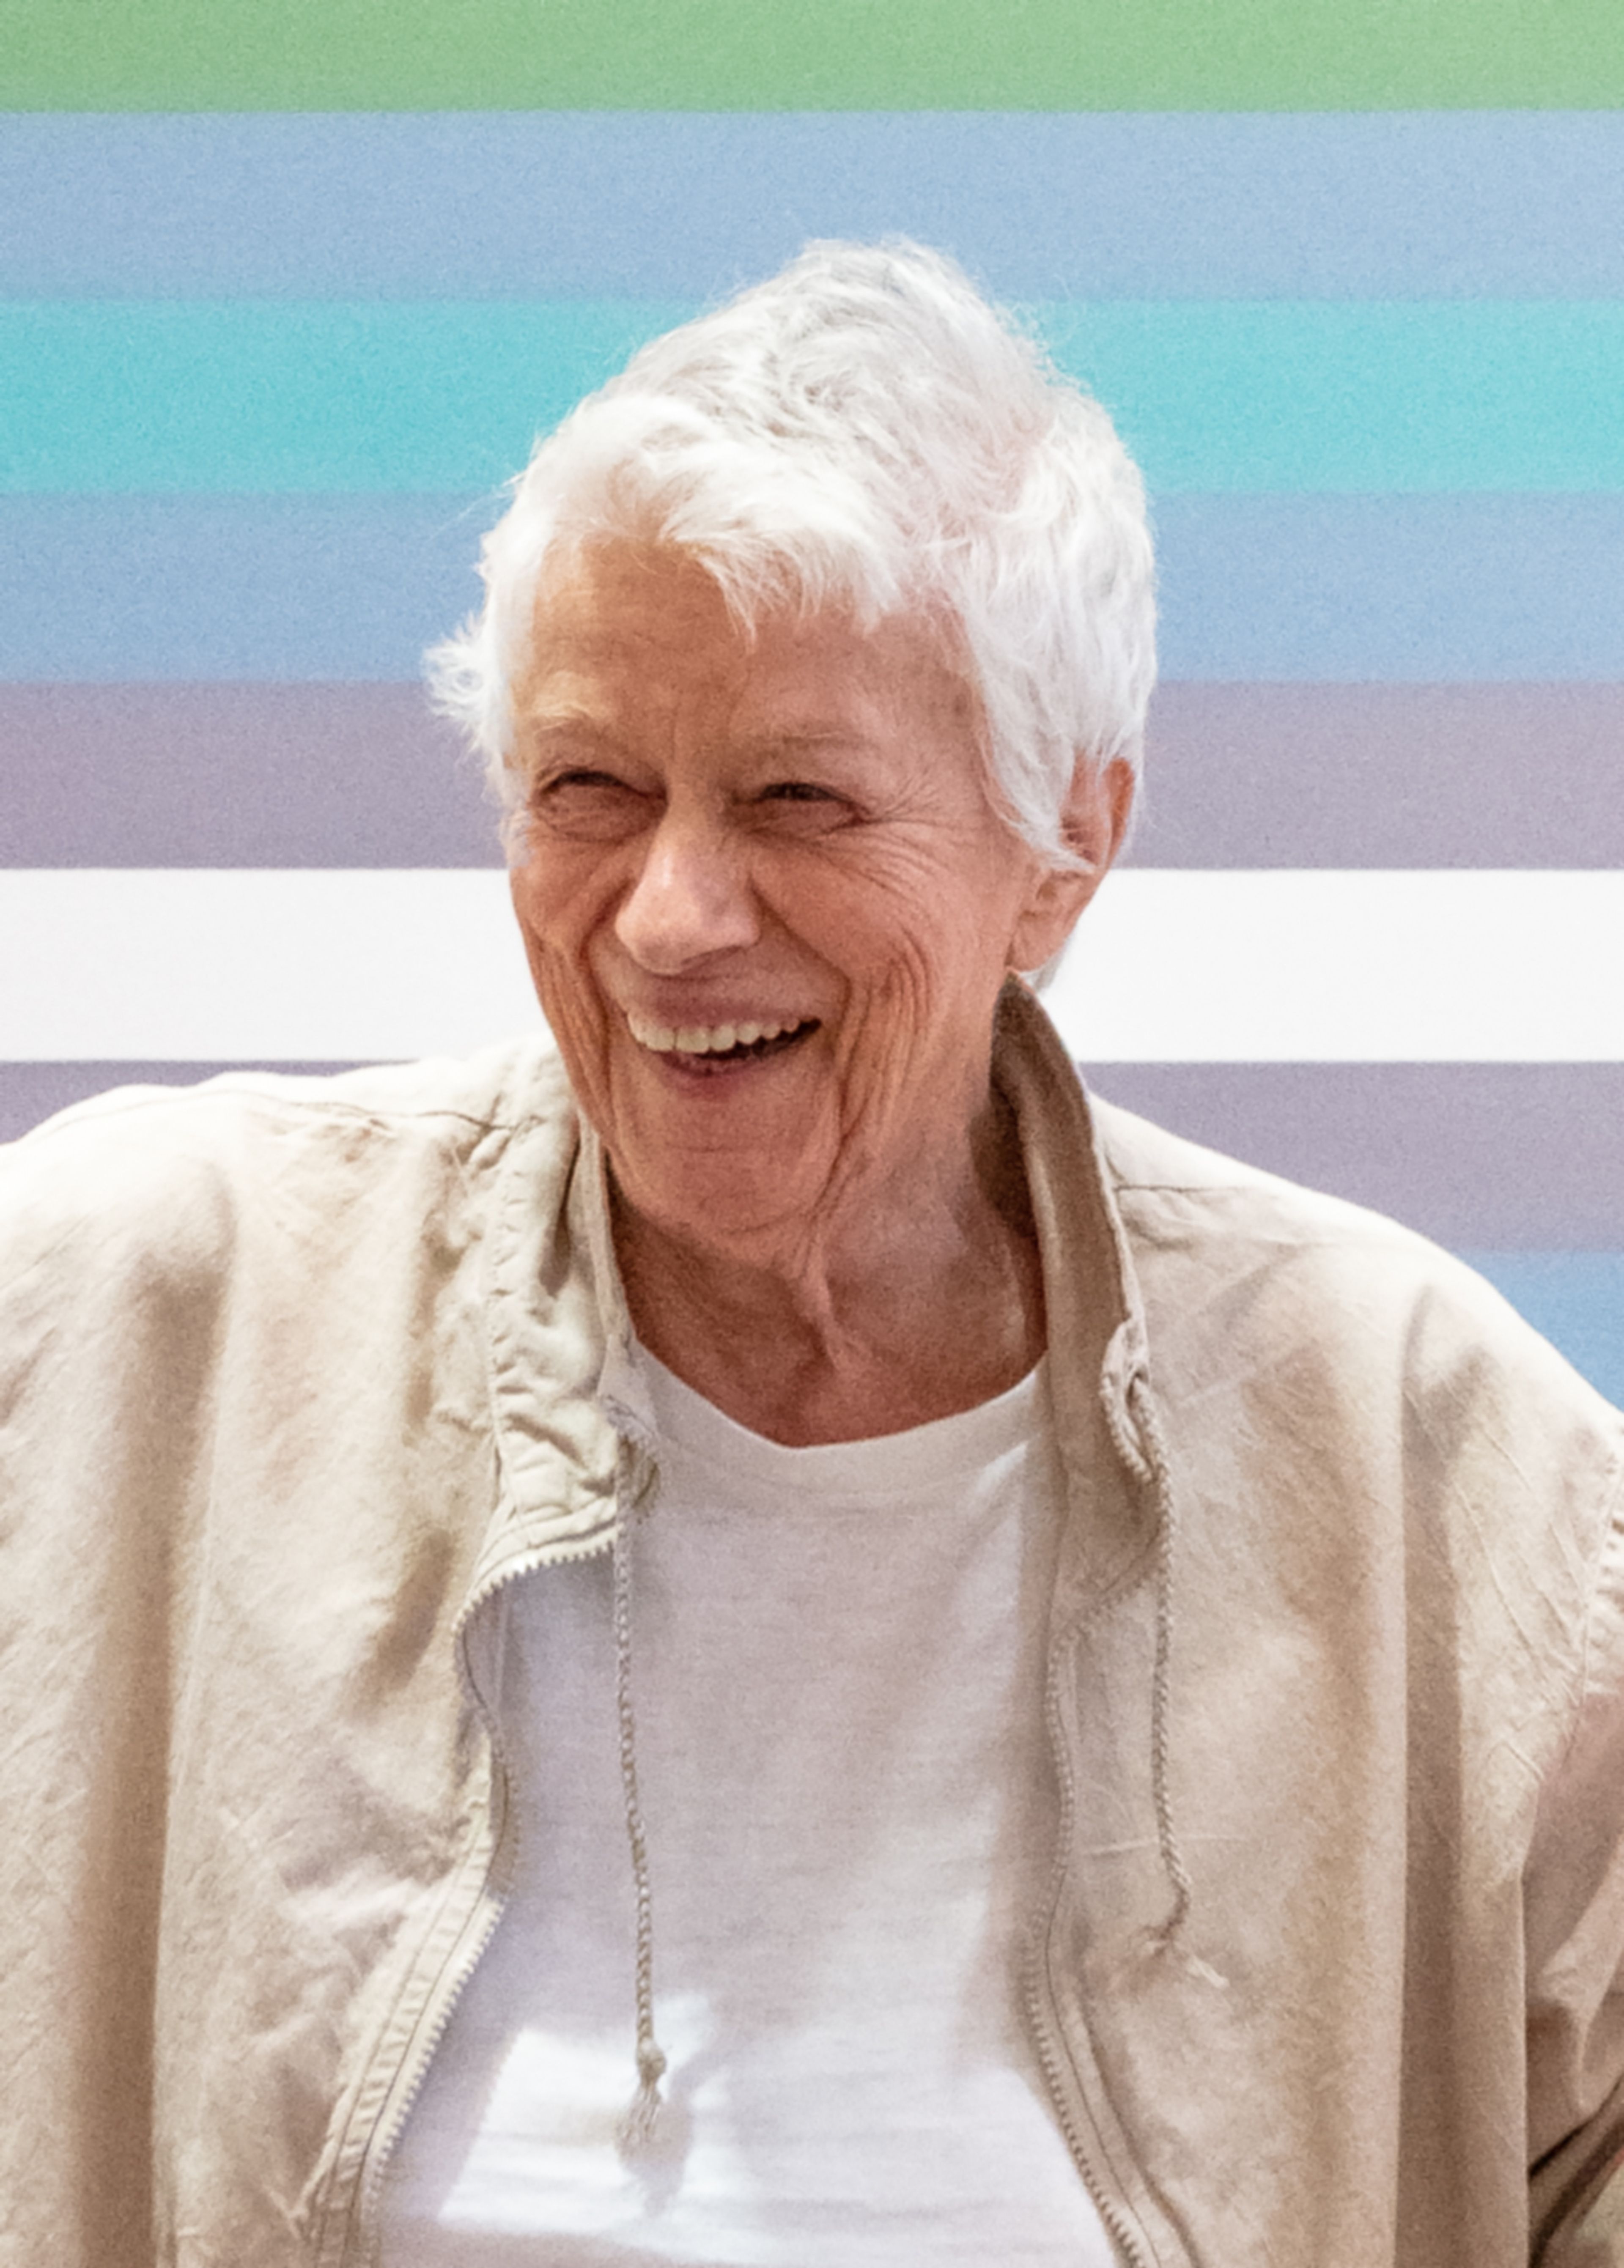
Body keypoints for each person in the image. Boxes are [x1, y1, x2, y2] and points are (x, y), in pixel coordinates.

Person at [1, 241, 1622, 2268]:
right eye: (590, 788)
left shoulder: (1430, 1470)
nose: (671, 917)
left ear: (1065, 849)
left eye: (800, 800)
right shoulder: (134, 1316)